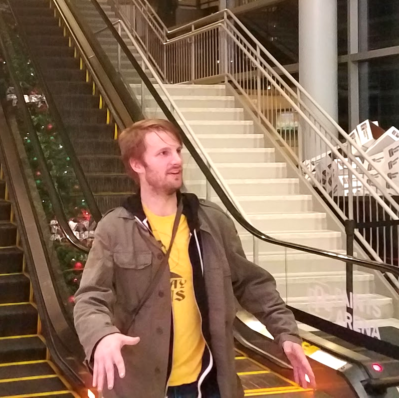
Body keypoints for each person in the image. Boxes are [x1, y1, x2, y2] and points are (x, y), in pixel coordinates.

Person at [73, 119, 315, 398]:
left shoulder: (211, 221)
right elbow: (91, 297)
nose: (176, 160)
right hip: (141, 386)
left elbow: (251, 283)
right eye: (163, 153)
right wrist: (101, 335)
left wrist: (285, 333)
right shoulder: (115, 228)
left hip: (210, 384)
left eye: (178, 151)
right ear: (137, 164)